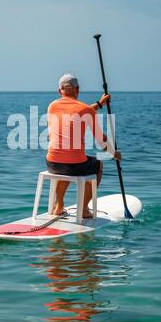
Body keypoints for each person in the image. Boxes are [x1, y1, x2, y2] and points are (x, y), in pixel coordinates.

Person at [46, 73, 121, 218]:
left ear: (59, 91)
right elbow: (101, 140)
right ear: (77, 89)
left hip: (52, 164)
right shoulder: (86, 109)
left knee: (64, 165)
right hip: (75, 165)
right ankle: (84, 209)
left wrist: (99, 105)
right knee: (97, 165)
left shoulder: (52, 106)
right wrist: (114, 154)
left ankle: (59, 206)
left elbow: (76, 112)